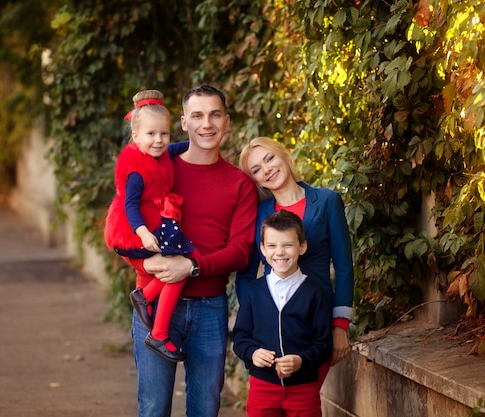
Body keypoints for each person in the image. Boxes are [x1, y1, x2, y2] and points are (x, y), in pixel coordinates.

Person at [124, 85, 258, 417]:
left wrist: (192, 268)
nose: (206, 124)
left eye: (215, 115)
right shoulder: (158, 167)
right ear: (183, 122)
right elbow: (122, 223)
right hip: (153, 305)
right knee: (153, 408)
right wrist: (146, 260)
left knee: (205, 409)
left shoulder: (239, 183)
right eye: (197, 115)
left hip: (210, 310)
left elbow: (241, 251)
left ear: (226, 122)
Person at [236, 136, 354, 379]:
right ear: (255, 180)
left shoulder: (326, 201)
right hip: (272, 328)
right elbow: (246, 274)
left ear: (284, 155)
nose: (266, 170)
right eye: (257, 169)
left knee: (305, 400)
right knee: (269, 400)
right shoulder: (258, 214)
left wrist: (340, 325)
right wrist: (254, 319)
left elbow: (343, 267)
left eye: (270, 158)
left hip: (316, 326)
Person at [104, 89, 197, 363]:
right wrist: (143, 233)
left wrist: (197, 143)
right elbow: (130, 205)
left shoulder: (159, 153)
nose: (159, 141)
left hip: (153, 224)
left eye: (164, 134)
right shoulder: (135, 169)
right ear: (135, 137)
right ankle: (156, 328)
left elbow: (176, 150)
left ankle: (146, 297)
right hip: (133, 231)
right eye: (151, 134)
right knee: (177, 269)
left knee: (178, 267)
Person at [233, 210, 333, 417]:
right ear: (262, 248)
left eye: (288, 245)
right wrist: (252, 352)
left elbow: (324, 344)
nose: (279, 252)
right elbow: (241, 338)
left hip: (304, 390)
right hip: (262, 388)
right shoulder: (253, 291)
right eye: (272, 245)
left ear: (302, 247)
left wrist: (302, 361)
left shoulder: (316, 292)